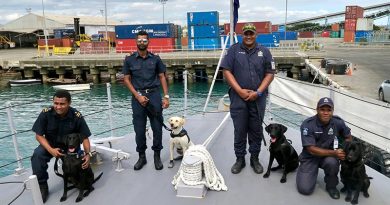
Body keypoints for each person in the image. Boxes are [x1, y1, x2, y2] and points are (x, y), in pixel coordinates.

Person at [220, 23, 275, 174]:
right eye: (246, 34)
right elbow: (226, 70)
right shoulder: (233, 50)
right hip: (238, 98)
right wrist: (239, 91)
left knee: (256, 129)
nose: (249, 36)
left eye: (251, 34)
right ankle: (240, 159)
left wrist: (258, 92)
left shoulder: (264, 51)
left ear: (255, 35)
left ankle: (254, 158)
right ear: (242, 35)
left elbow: (270, 73)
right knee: (240, 129)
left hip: (258, 98)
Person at [31, 90, 92, 203]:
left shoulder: (76, 116)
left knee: (81, 163)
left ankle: (75, 178)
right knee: (37, 155)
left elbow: (84, 137)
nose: (58, 107)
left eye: (62, 104)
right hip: (50, 145)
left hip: (70, 147)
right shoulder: (46, 113)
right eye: (56, 103)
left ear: (69, 103)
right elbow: (39, 135)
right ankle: (42, 186)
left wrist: (88, 154)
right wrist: (50, 150)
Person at [122, 30, 169, 171]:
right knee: (139, 129)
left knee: (157, 128)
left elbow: (162, 76)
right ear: (136, 42)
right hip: (138, 97)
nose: (142, 42)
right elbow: (126, 79)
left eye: (144, 40)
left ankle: (157, 156)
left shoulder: (156, 59)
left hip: (154, 95)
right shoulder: (129, 60)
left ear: (148, 42)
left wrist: (166, 96)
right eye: (140, 40)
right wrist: (138, 96)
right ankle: (141, 157)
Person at [296, 97, 352, 200]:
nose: (326, 113)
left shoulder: (338, 122)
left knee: (332, 162)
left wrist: (344, 150)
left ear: (332, 111)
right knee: (305, 189)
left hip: (328, 157)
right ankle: (305, 170)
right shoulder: (307, 125)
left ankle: (331, 187)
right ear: (317, 110)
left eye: (329, 110)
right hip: (310, 157)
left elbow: (348, 137)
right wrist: (335, 153)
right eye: (322, 110)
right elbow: (311, 149)